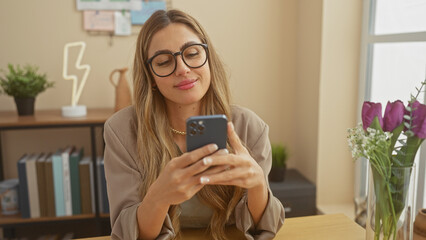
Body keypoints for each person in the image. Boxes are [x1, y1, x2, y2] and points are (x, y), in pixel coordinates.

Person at [103, 9, 285, 240]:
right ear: (151, 76)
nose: (182, 69)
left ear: (208, 58)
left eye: (192, 53)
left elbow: (265, 230)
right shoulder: (121, 131)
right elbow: (128, 234)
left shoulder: (250, 127)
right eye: (164, 61)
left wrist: (258, 185)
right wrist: (158, 198)